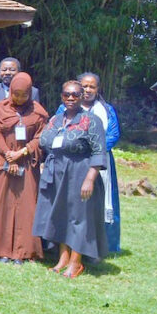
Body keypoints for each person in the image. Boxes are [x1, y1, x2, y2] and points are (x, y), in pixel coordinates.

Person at [35, 80, 108, 278]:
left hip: (80, 171)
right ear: (61, 96)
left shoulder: (91, 121)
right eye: (67, 94)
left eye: (75, 94)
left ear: (82, 96)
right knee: (61, 215)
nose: (70, 98)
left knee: (79, 217)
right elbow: (45, 142)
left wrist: (90, 179)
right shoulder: (56, 119)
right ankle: (63, 259)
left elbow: (99, 151)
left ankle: (76, 262)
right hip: (57, 172)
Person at [0, 73, 48, 263]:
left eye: (23, 95)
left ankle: (23, 251)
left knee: (25, 206)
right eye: (16, 94)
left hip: (27, 163)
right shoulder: (0, 108)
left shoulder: (38, 112)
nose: (19, 98)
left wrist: (22, 153)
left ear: (30, 93)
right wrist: (8, 157)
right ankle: (1, 250)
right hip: (3, 162)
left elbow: (39, 137)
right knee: (2, 205)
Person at [72, 72, 121, 253]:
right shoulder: (67, 107)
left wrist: (95, 149)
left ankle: (106, 245)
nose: (87, 90)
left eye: (92, 86)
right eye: (84, 86)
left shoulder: (106, 110)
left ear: (98, 89)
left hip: (102, 162)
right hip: (75, 161)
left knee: (103, 202)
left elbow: (114, 135)